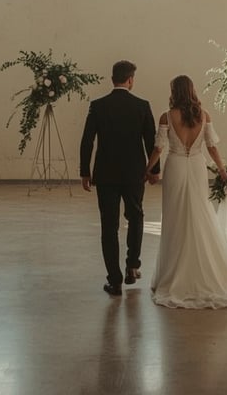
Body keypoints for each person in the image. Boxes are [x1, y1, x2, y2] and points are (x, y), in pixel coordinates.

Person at [145, 75, 227, 309]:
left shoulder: (167, 116)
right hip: (196, 166)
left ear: (174, 91)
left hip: (175, 165)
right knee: (200, 213)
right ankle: (205, 271)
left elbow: (158, 147)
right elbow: (212, 146)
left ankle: (173, 275)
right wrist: (223, 171)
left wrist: (147, 169)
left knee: (175, 219)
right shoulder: (203, 115)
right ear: (192, 90)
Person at [80, 60, 159, 296]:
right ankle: (132, 265)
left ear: (112, 78)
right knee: (135, 216)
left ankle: (114, 281)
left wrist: (85, 171)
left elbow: (87, 141)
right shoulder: (142, 106)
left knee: (109, 225)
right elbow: (151, 141)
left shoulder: (98, 106)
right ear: (131, 80)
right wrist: (154, 170)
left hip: (105, 174)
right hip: (135, 173)